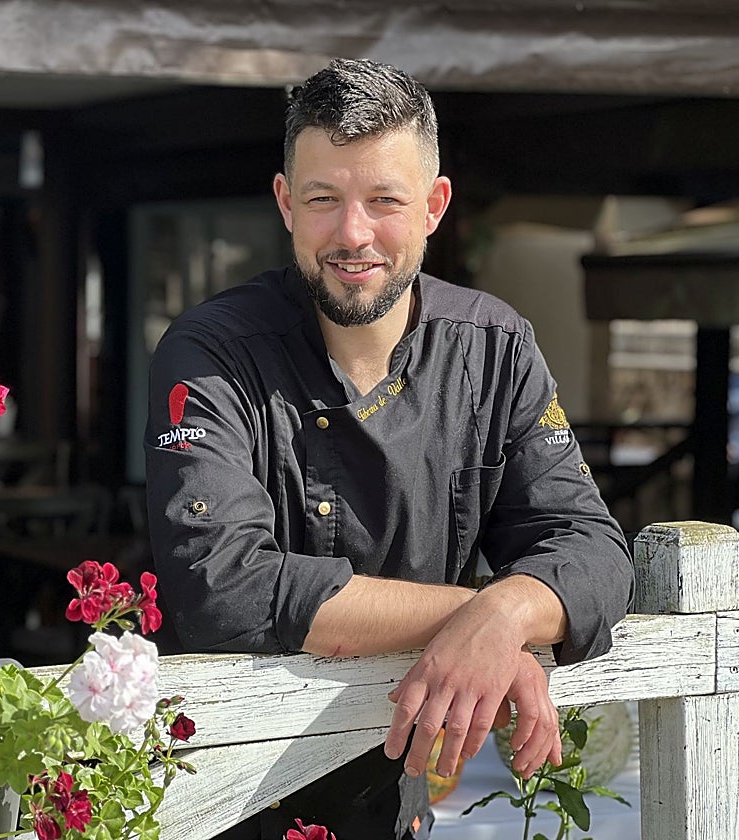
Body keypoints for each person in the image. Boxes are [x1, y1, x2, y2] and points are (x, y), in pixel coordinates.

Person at [144, 58, 634, 840]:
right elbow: (222, 589)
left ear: (435, 205)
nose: (353, 233)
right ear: (284, 204)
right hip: (217, 804)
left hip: (395, 806)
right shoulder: (211, 353)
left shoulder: (496, 349)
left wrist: (506, 611)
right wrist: (478, 617)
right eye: (323, 200)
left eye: (384, 200)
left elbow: (594, 553)